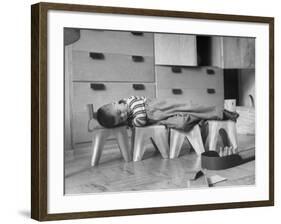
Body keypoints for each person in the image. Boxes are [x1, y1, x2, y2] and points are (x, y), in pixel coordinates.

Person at [96, 96, 239, 132]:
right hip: (159, 120)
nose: (123, 116)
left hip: (157, 108)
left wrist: (132, 123)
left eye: (120, 112)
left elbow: (141, 119)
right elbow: (140, 122)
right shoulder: (127, 115)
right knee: (182, 123)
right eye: (120, 119)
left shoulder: (130, 102)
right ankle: (201, 119)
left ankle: (221, 113)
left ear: (116, 103)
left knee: (187, 106)